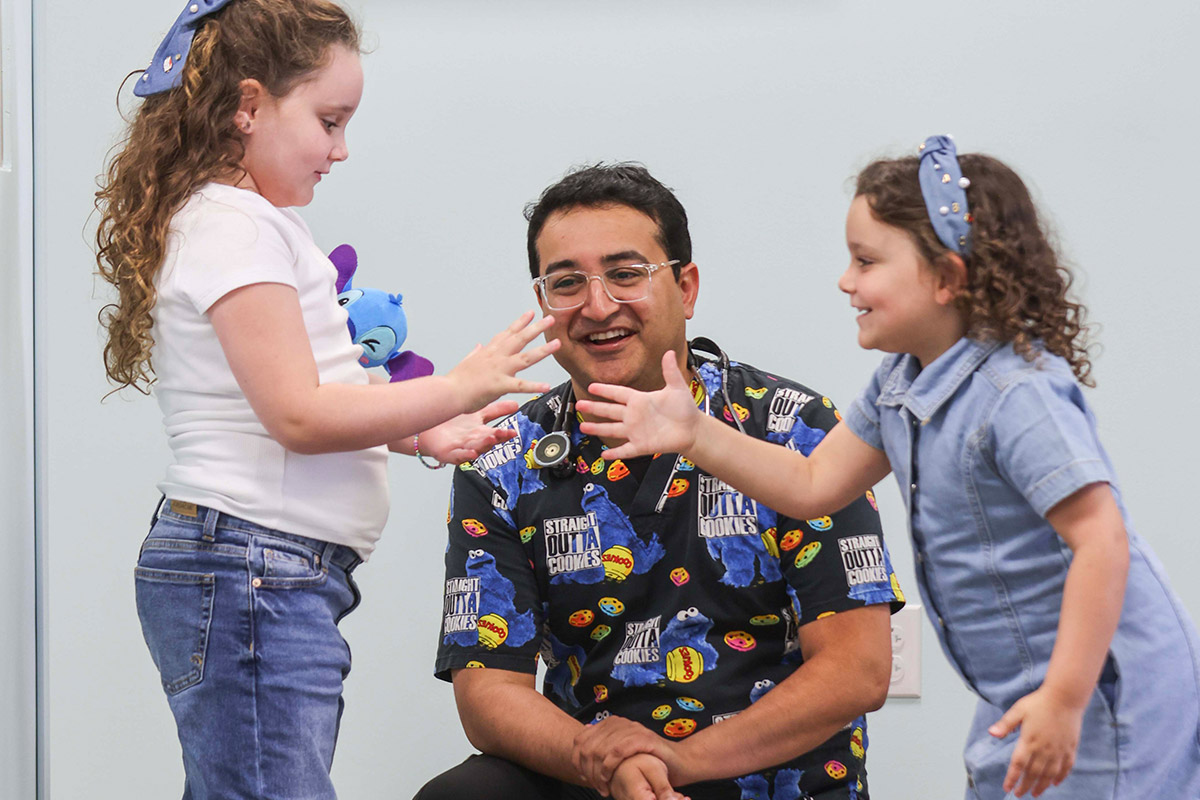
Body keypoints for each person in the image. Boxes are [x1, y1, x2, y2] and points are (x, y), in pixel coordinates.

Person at [577, 137, 1200, 799]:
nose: (847, 281)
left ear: (947, 278)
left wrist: (1067, 700)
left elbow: (1102, 542)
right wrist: (694, 432)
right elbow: (812, 486)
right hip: (1021, 682)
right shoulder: (899, 382)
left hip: (1105, 688)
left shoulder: (1018, 396)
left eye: (866, 261)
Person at [93, 1, 558, 797]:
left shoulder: (241, 224)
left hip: (261, 568)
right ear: (247, 107)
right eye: (330, 121)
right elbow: (297, 415)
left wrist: (419, 430)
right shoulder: (236, 228)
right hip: (253, 568)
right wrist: (457, 384)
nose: (341, 150)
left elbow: (289, 400)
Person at [417, 163, 904, 800]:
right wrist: (613, 766)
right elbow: (488, 692)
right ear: (543, 306)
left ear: (686, 286)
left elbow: (856, 671)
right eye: (567, 284)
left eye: (625, 274)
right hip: (598, 773)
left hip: (765, 774)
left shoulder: (791, 428)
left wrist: (682, 764)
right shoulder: (503, 456)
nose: (597, 306)